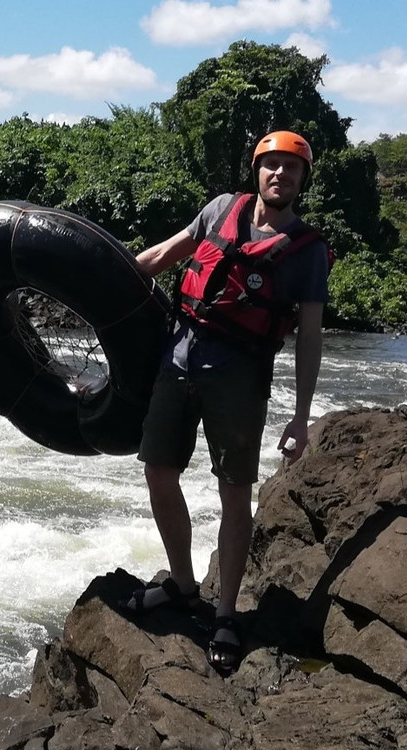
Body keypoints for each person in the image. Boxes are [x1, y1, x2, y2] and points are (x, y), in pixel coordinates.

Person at [122, 130, 332, 675]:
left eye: (291, 167)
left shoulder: (308, 251)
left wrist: (301, 417)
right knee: (158, 472)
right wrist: (96, 277)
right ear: (256, 170)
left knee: (234, 493)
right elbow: (160, 257)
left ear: (302, 180)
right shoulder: (221, 209)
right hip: (179, 359)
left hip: (239, 378)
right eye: (271, 164)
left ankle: (226, 614)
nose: (280, 174)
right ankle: (182, 584)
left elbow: (310, 337)